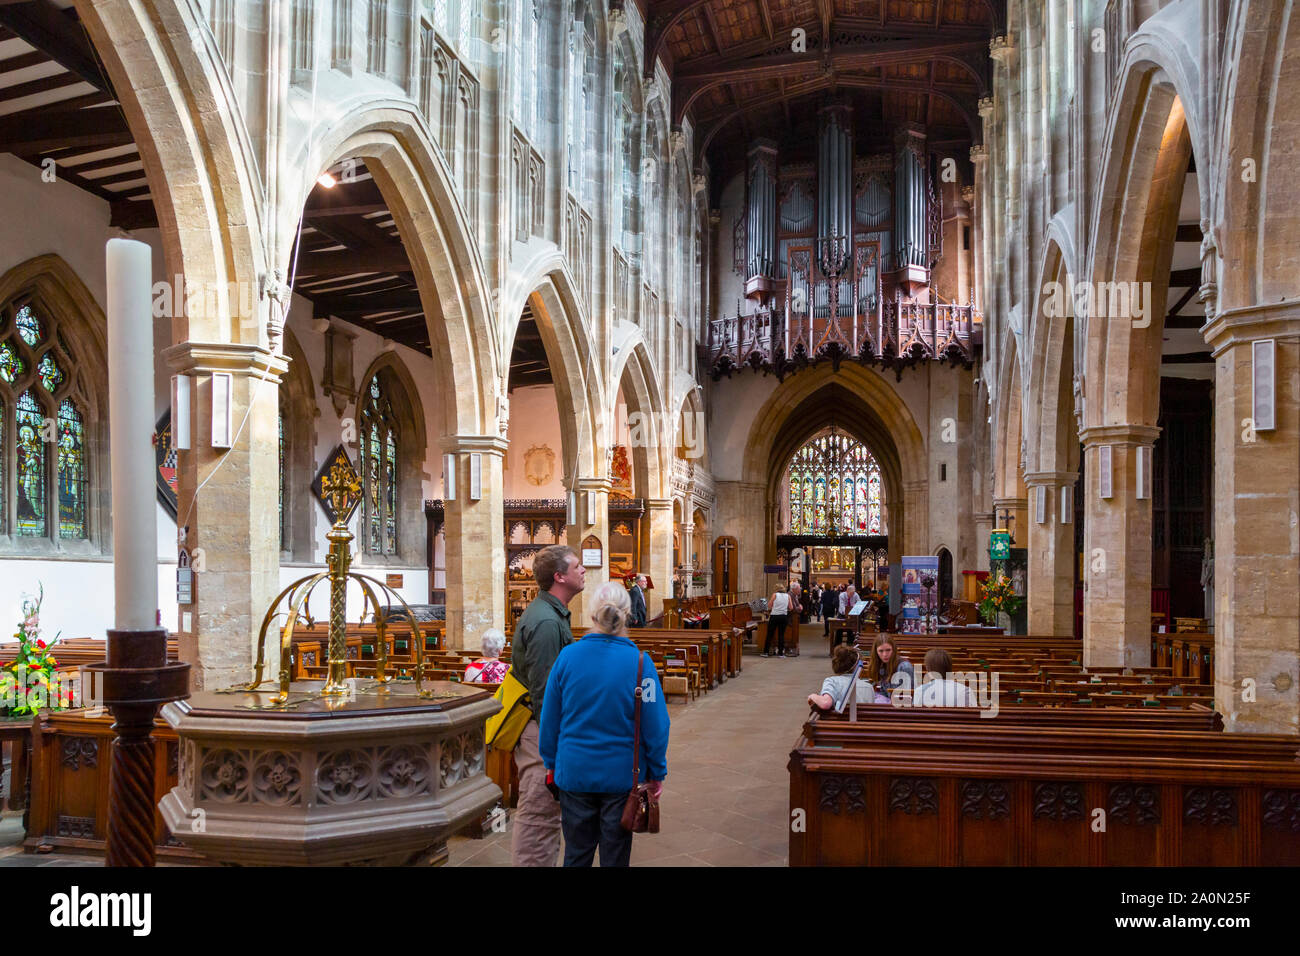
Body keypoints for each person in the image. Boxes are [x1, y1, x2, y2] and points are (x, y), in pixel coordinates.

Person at [540, 581, 669, 867]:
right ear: (628, 614)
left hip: (574, 772)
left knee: (576, 853)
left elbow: (550, 717)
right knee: (615, 856)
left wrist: (550, 760)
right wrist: (657, 771)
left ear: (591, 615)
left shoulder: (567, 658)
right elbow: (656, 725)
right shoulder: (640, 663)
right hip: (621, 776)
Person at [510, 544, 586, 866]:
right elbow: (545, 692)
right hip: (539, 734)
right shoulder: (547, 624)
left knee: (545, 816)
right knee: (539, 815)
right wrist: (553, 748)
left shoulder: (551, 615)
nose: (583, 571)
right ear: (560, 576)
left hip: (540, 730)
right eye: (577, 566)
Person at [807, 644, 875, 711]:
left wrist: (813, 696)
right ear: (857, 666)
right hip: (864, 721)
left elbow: (826, 703)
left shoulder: (832, 681)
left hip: (839, 721)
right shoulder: (869, 687)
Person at [865, 634, 914, 703]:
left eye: (888, 650)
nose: (885, 654)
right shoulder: (881, 665)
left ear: (893, 649)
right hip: (888, 704)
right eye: (881, 651)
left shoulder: (904, 667)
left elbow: (908, 697)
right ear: (876, 652)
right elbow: (884, 692)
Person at [765, 584, 791, 657]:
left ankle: (766, 652)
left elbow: (769, 605)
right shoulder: (788, 596)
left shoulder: (775, 595)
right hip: (783, 616)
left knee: (770, 634)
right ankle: (781, 653)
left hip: (774, 616)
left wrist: (775, 607)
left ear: (776, 589)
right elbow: (791, 607)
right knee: (781, 635)